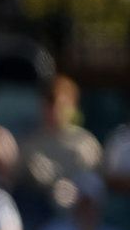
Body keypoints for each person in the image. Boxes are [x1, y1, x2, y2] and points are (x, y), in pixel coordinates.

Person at [19, 76, 103, 208]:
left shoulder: (86, 143)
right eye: (50, 103)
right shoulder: (29, 144)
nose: (55, 110)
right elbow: (15, 182)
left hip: (80, 215)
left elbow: (97, 186)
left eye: (61, 105)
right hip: (41, 213)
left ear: (73, 107)